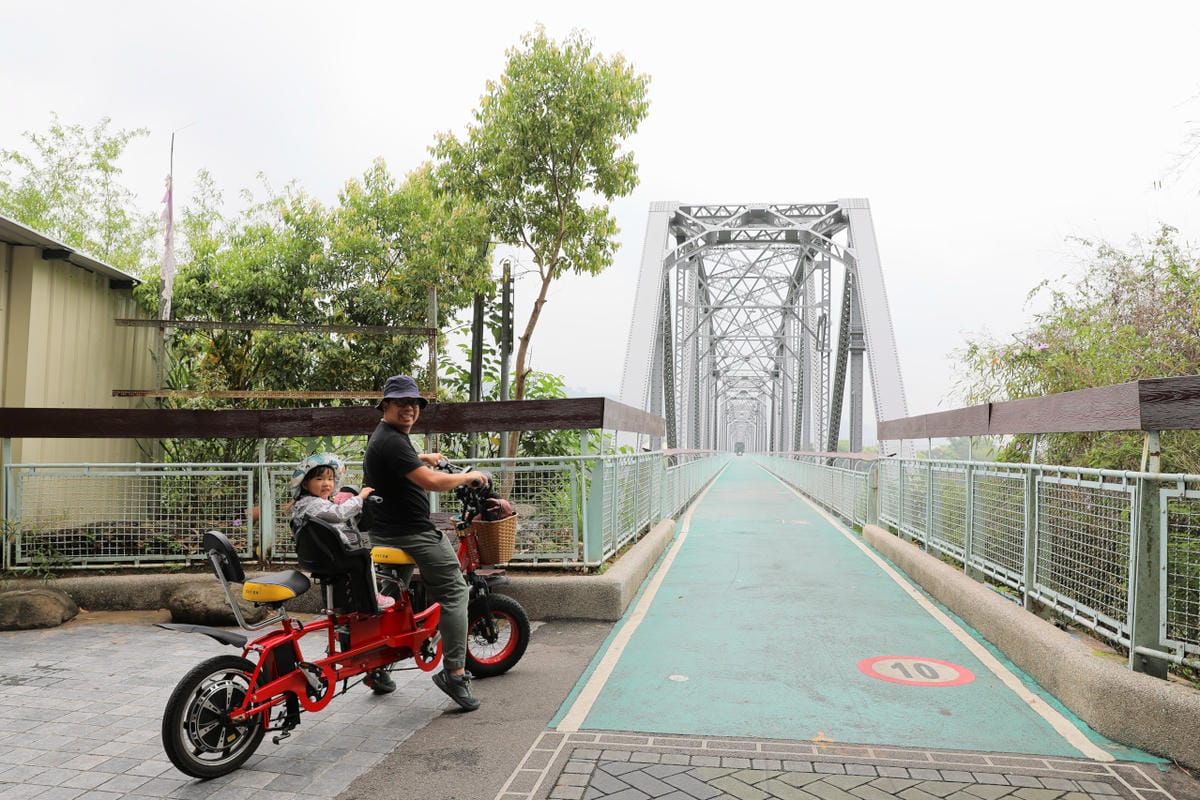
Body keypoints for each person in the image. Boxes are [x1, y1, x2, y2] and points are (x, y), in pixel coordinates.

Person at [362, 374, 490, 711]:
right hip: (411, 532)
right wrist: (468, 476)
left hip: (384, 532)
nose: (409, 409)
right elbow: (431, 483)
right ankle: (455, 673)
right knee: (455, 592)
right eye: (401, 402)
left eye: (414, 403)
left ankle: (377, 668)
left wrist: (423, 457)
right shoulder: (392, 440)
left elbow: (403, 468)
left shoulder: (386, 437)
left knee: (390, 600)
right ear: (385, 405)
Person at [288, 453, 394, 611]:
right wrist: (360, 497)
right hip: (334, 557)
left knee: (360, 556)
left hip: (318, 557)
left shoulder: (305, 504)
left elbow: (335, 517)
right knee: (364, 557)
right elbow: (339, 514)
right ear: (305, 484)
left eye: (330, 479)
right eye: (319, 479)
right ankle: (373, 596)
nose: (326, 483)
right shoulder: (314, 505)